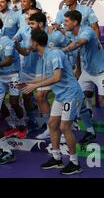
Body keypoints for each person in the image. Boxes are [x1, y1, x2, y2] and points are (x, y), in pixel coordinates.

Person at [21, 29, 84, 175]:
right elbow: (45, 76)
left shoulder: (54, 54)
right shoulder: (45, 55)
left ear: (35, 43)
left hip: (71, 94)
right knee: (52, 124)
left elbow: (56, 77)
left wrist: (35, 86)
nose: (29, 43)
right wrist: (26, 82)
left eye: (30, 41)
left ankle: (75, 163)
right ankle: (56, 159)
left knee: (64, 127)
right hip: (61, 95)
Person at [62, 10, 104, 148]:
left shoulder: (87, 31)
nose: (64, 23)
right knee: (77, 98)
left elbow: (79, 43)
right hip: (87, 71)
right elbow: (80, 52)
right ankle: (90, 131)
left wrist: (63, 51)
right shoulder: (71, 33)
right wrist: (79, 70)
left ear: (75, 22)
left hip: (101, 71)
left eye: (66, 21)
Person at [53, 0, 101, 116]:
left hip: (86, 50)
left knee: (87, 80)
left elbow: (95, 27)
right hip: (70, 50)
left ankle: (88, 107)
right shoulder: (61, 13)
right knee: (72, 80)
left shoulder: (86, 10)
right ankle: (73, 109)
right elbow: (56, 28)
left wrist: (96, 45)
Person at [26, 12, 69, 140]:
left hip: (57, 70)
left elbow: (70, 44)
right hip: (41, 69)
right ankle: (51, 128)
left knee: (62, 94)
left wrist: (68, 60)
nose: (30, 26)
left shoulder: (54, 34)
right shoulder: (33, 35)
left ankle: (63, 125)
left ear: (40, 23)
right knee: (39, 97)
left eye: (32, 23)